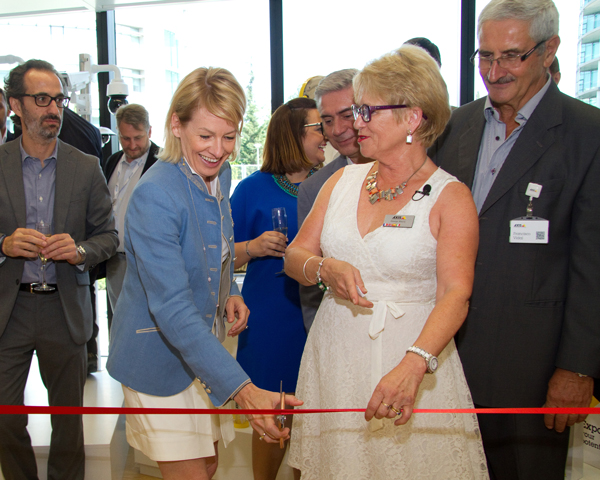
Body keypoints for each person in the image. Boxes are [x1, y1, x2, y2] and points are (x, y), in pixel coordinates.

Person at [286, 46, 487, 479]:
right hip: (337, 354)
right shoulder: (342, 179)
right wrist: (323, 268)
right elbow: (295, 254)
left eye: (367, 110)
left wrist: (414, 366)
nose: (355, 123)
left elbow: (457, 293)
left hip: (414, 359)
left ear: (412, 117)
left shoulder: (450, 197)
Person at [428, 1, 600, 478]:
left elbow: (594, 266)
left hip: (533, 371)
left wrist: (577, 368)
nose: (494, 71)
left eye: (511, 56)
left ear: (550, 51)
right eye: (484, 56)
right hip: (446, 364)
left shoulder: (588, 136)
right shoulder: (455, 126)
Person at [106, 67, 302, 480]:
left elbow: (220, 245)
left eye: (229, 137)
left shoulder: (221, 174)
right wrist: (244, 390)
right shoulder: (155, 194)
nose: (219, 150)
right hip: (155, 357)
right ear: (176, 125)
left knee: (210, 464)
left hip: (201, 353)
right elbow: (171, 308)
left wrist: (230, 288)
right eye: (206, 136)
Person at [0, 59, 118, 480]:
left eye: (59, 99)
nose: (54, 109)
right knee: (5, 417)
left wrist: (81, 249)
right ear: (16, 104)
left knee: (68, 423)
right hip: (8, 312)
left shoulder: (84, 166)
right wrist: (4, 245)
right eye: (42, 99)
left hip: (64, 308)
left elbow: (108, 237)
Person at [231, 96, 325, 480]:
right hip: (269, 318)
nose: (326, 133)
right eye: (318, 126)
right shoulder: (252, 189)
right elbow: (218, 256)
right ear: (293, 135)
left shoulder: (331, 183)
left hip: (319, 315)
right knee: (272, 413)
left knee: (313, 412)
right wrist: (253, 248)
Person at [297, 68, 371, 332]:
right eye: (327, 121)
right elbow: (309, 286)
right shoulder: (314, 188)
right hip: (339, 329)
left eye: (346, 115)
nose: (338, 130)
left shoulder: (415, 176)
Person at [102, 103, 159, 321]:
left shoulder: (164, 162)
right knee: (119, 320)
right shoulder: (112, 161)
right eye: (126, 138)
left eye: (138, 137)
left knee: (147, 323)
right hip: (114, 258)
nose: (132, 145)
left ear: (150, 132)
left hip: (148, 259)